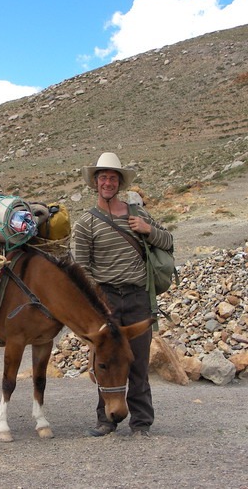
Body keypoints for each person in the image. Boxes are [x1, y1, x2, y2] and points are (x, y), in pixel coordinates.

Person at [71, 152, 174, 437]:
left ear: (119, 183)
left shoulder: (138, 214)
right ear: (95, 183)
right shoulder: (85, 223)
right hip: (107, 301)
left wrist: (148, 230)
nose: (107, 182)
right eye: (103, 177)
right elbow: (81, 268)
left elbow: (169, 241)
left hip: (139, 297)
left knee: (138, 361)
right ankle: (106, 420)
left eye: (112, 178)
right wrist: (97, 304)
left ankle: (141, 423)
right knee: (106, 363)